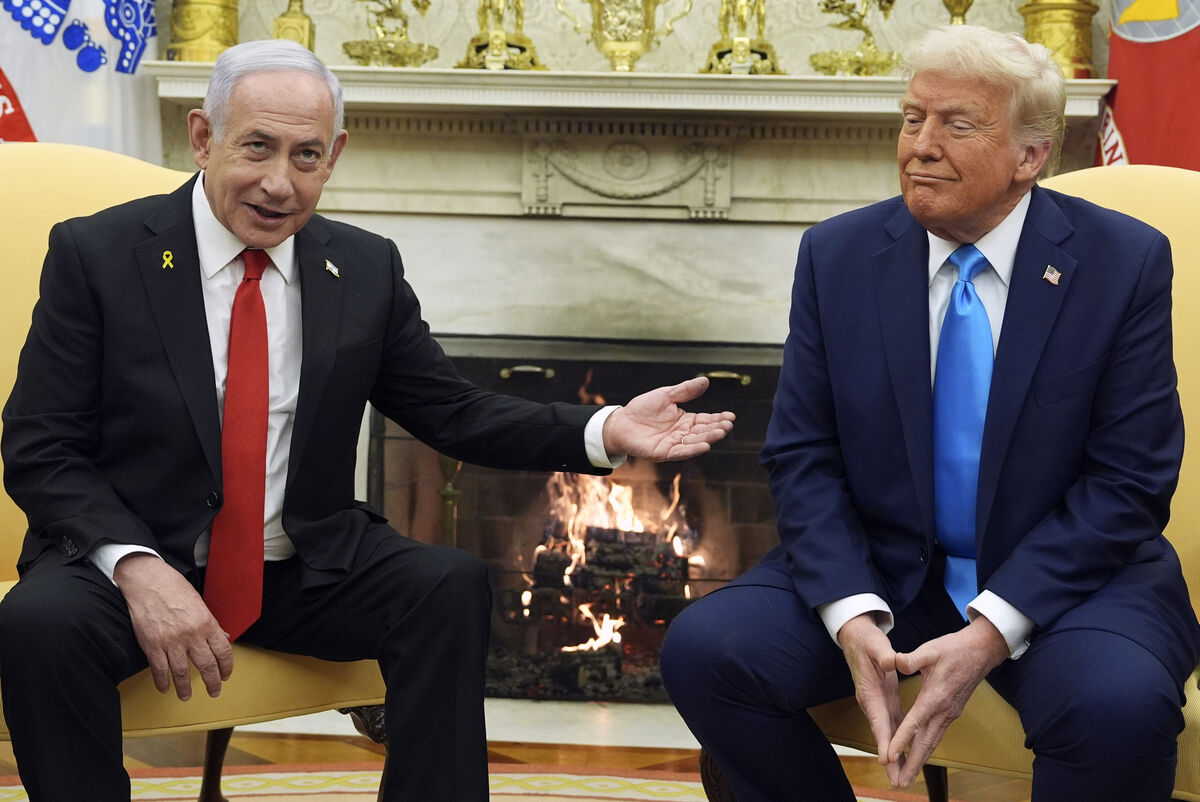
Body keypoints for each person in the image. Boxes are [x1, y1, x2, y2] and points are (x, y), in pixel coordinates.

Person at [0, 38, 736, 802]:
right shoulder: (100, 253)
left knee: (444, 583)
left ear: (336, 154)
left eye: (307, 157)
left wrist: (605, 429)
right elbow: (41, 444)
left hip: (299, 568)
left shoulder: (363, 267)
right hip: (133, 563)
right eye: (257, 147)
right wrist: (136, 565)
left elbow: (451, 411)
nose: (279, 183)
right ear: (202, 137)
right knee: (39, 625)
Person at [660, 25, 1200, 802]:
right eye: (913, 118)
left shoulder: (1123, 261)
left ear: (1031, 157)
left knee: (1115, 706)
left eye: (958, 123)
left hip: (1070, 580)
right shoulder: (838, 255)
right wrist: (848, 611)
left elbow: (1129, 482)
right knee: (709, 651)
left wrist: (991, 631)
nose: (921, 144)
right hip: (884, 570)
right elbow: (803, 454)